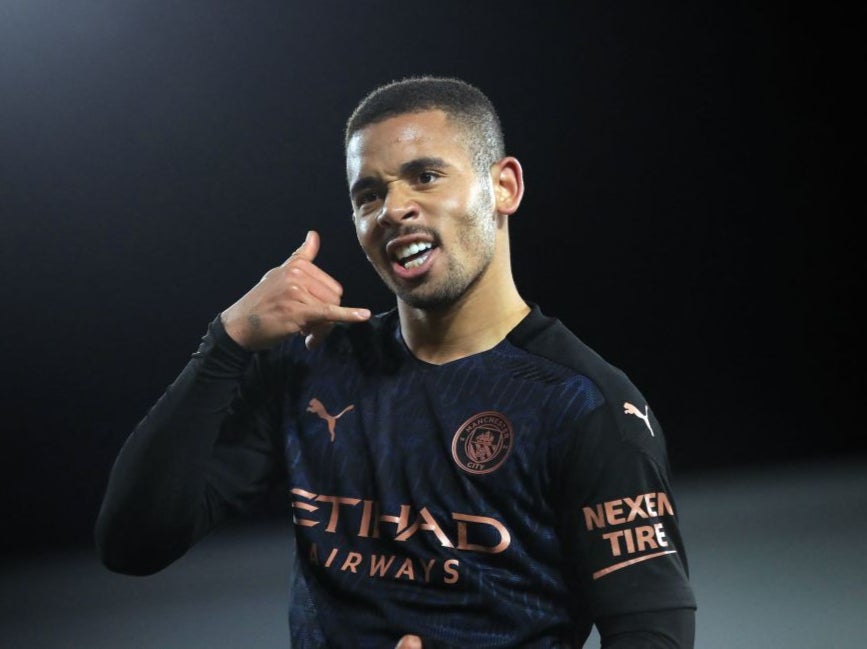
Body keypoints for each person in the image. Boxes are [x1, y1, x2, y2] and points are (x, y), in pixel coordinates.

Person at [95, 75, 697, 648]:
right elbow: (132, 544)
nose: (393, 208)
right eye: (370, 193)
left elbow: (654, 633)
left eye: (426, 176)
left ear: (504, 187)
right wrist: (225, 345)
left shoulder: (586, 408)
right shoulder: (312, 367)